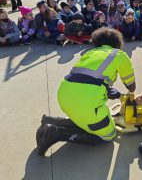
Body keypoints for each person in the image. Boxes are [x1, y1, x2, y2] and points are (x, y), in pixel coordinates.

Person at [36, 27, 136, 156]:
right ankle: (57, 133)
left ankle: (53, 121)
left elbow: (88, 78)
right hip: (86, 103)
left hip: (64, 94)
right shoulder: (119, 55)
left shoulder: (90, 53)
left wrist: (107, 90)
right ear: (117, 42)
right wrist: (131, 92)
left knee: (85, 120)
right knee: (108, 135)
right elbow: (131, 86)